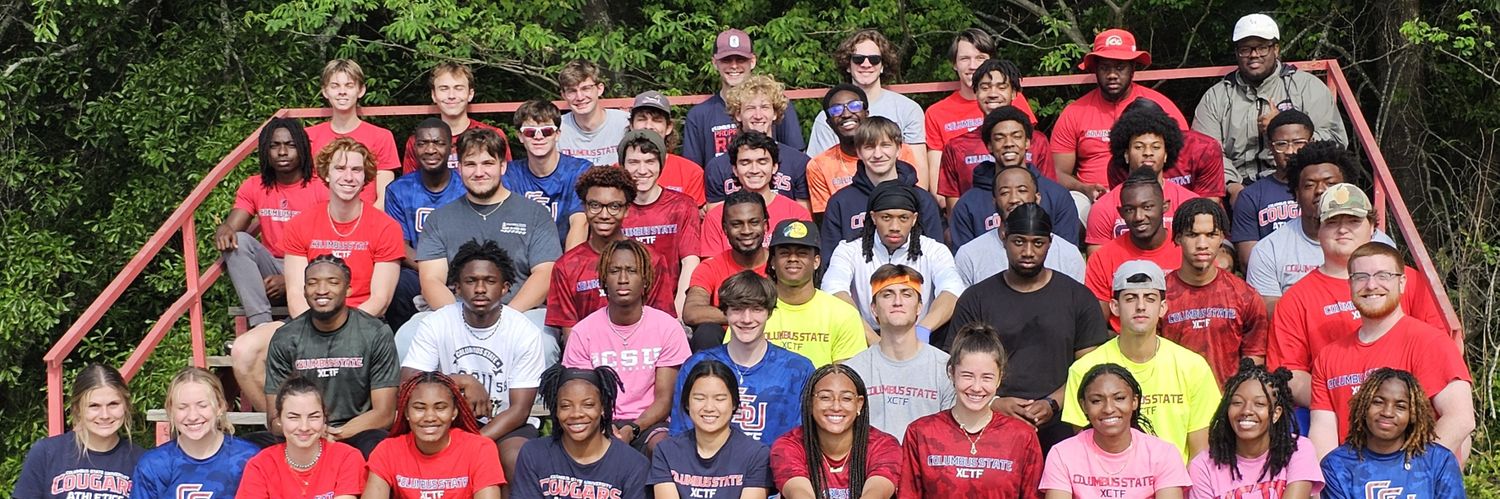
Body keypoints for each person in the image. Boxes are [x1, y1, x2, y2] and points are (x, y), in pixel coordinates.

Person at [230, 137, 403, 412]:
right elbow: (297, 292)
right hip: (309, 320)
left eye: (356, 170)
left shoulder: (386, 227)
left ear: (367, 177)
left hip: (362, 322)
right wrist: (314, 332)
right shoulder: (301, 224)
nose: (348, 177)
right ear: (326, 173)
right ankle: (287, 427)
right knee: (243, 351)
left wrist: (341, 333)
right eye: (340, 168)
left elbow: (380, 299)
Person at [948, 203, 1110, 450]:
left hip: (1063, 426)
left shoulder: (1078, 298)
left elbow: (1089, 370)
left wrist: (1052, 403)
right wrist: (995, 402)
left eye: (1037, 243)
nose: (1028, 251)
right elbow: (958, 365)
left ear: (1050, 242)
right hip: (987, 423)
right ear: (1004, 237)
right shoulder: (976, 299)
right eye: (1019, 241)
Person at [1270, 184, 1444, 410]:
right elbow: (1288, 373)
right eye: (1332, 222)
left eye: (1353, 221)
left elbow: (1440, 348)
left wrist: (1398, 405)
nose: (1342, 229)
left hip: (1407, 413)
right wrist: (1340, 402)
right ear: (1318, 230)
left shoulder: (1407, 280)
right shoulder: (1295, 298)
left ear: (1372, 227)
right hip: (1335, 415)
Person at [1308, 241, 1473, 459]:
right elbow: (1323, 432)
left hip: (1416, 480)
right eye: (1361, 277)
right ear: (1350, 285)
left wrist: (1410, 471)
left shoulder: (1431, 342)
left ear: (1402, 282)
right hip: (1353, 483)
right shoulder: (1329, 356)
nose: (1371, 285)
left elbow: (1460, 418)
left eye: (1383, 276)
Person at [401, 240, 548, 483]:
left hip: (504, 424)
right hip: (446, 419)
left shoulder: (523, 331)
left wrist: (472, 444)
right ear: (456, 288)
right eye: (471, 281)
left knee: (516, 457)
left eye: (490, 281)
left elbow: (519, 410)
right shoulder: (437, 323)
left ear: (505, 287)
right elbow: (409, 385)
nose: (480, 288)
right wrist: (461, 381)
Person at [417, 128, 562, 348]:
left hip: (521, 312)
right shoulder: (439, 219)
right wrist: (460, 322)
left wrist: (506, 319)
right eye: (470, 164)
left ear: (502, 166)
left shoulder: (535, 214)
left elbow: (545, 273)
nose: (479, 172)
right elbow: (431, 280)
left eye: (487, 163)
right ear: (459, 168)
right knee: (408, 335)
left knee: (544, 343)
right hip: (454, 313)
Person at [1065, 261, 1220, 463]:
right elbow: (1085, 451)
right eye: (1130, 298)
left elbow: (1200, 456)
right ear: (1114, 306)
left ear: (1163, 307)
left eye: (1150, 298)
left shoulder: (1193, 367)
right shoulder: (1085, 370)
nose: (1140, 306)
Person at [1193, 14, 1348, 200]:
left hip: (1296, 184)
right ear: (1237, 52)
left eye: (1262, 47)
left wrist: (1287, 131)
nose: (1254, 55)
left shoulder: (1308, 87)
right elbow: (1205, 153)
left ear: (1276, 49)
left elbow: (1337, 141)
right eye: (1245, 49)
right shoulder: (1216, 97)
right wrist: (1232, 186)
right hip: (1237, 188)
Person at [562, 238, 691, 454]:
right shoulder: (583, 332)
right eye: (615, 271)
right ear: (603, 280)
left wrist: (634, 427)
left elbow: (665, 398)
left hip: (650, 423)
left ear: (646, 280)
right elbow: (582, 395)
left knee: (663, 447)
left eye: (631, 271)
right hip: (597, 420)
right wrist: (606, 426)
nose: (623, 279)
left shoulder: (667, 328)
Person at [262, 255, 399, 457]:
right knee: (252, 447)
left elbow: (385, 413)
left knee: (378, 445)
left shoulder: (375, 333)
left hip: (357, 431)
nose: (321, 290)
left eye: (333, 282)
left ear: (348, 289)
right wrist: (311, 431)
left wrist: (336, 434)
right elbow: (275, 418)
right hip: (302, 430)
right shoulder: (286, 336)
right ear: (304, 291)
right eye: (312, 283)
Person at [1245, 142, 1397, 314]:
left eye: (1330, 184)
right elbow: (1269, 313)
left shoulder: (1380, 244)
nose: (1320, 191)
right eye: (1309, 185)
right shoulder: (1268, 250)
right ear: (1296, 194)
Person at [899, 324, 1043, 498]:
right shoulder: (921, 432)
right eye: (967, 375)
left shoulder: (1022, 436)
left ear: (999, 378)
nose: (976, 387)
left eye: (987, 377)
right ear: (952, 373)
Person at [672, 270, 816, 443]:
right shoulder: (697, 365)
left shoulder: (798, 369)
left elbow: (805, 439)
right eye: (737, 309)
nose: (746, 319)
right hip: (712, 468)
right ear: (725, 312)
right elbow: (680, 436)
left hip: (775, 467)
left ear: (769, 313)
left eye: (756, 309)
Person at [1051, 29, 1188, 208]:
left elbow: (1184, 160)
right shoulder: (1074, 111)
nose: (1112, 74)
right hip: (1093, 200)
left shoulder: (1159, 106)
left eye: (1120, 67)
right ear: (1095, 70)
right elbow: (1057, 172)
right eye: (1105, 67)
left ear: (1133, 68)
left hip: (1155, 196)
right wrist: (1083, 188)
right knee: (1074, 206)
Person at [217, 118, 329, 328]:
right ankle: (261, 326)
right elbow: (232, 227)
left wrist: (291, 280)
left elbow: (329, 247)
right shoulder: (254, 186)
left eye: (290, 145)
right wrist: (224, 229)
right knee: (238, 241)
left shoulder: (321, 188)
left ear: (303, 148)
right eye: (274, 146)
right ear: (265, 151)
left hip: (311, 266)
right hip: (271, 267)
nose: (282, 152)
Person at [548, 164, 678, 338]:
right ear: (584, 208)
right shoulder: (566, 266)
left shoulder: (650, 260)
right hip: (587, 357)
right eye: (595, 205)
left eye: (614, 206)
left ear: (626, 210)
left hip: (643, 351)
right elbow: (571, 335)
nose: (604, 214)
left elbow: (662, 324)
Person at [823, 182, 964, 333]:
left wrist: (922, 332)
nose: (895, 227)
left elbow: (953, 291)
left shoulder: (935, 250)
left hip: (922, 335)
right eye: (886, 217)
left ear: (914, 219)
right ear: (873, 217)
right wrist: (871, 339)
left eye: (903, 218)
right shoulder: (848, 250)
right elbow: (833, 291)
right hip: (864, 336)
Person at [1041, 364, 1191, 498]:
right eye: (1096, 401)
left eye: (1119, 398)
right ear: (1084, 406)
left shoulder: (1164, 454)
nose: (1108, 409)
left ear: (1134, 402)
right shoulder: (1062, 454)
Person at [1161, 199, 1269, 385]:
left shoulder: (1245, 296)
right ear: (1178, 238)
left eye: (1211, 235)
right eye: (1192, 235)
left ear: (1221, 238)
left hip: (1227, 405)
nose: (1202, 244)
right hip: (1176, 402)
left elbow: (1254, 356)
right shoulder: (1160, 295)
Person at [845, 264, 955, 440]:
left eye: (906, 294)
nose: (897, 302)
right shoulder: (852, 371)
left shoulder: (946, 368)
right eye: (887, 295)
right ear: (873, 308)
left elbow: (952, 434)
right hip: (870, 465)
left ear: (919, 307)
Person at [948, 105, 1081, 249]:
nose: (1009, 144)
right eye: (999, 138)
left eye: (1016, 136)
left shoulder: (1057, 196)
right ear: (989, 146)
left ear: (1027, 142)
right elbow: (965, 261)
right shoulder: (968, 204)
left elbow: (1067, 255)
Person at [1318, 369, 1465, 499]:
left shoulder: (1439, 461)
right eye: (1378, 402)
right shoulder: (1336, 465)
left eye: (1400, 406)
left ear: (1413, 413)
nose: (1387, 412)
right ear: (1363, 407)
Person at [1188, 360, 1323, 499]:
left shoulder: (1298, 449)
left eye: (1259, 404)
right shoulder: (1203, 466)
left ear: (1276, 413)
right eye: (1237, 402)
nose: (1246, 410)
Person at [513, 365, 650, 499]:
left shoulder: (633, 464)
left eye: (588, 405)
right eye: (565, 406)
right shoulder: (534, 453)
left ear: (602, 407)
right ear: (556, 410)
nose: (576, 414)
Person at [806, 29, 928, 179]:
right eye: (858, 59)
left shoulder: (908, 109)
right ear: (847, 65)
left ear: (883, 65)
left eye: (874, 59)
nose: (866, 64)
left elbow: (919, 174)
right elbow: (820, 171)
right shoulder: (830, 116)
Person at [820, 116, 943, 261]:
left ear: (898, 149)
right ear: (858, 152)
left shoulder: (922, 199)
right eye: (869, 147)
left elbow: (936, 256)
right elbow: (830, 259)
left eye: (885, 145)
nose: (878, 154)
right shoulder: (840, 202)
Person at [365, 372, 506, 499]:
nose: (430, 417)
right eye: (419, 408)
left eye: (440, 408)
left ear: (454, 412)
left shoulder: (480, 449)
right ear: (406, 412)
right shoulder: (387, 451)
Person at [15, 364, 145, 499]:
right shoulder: (46, 453)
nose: (105, 415)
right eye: (94, 406)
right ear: (77, 408)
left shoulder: (142, 461)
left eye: (113, 404)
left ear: (126, 405)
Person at [1084, 101, 1201, 252]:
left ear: (1166, 154)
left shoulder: (1190, 202)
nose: (1148, 152)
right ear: (1126, 154)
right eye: (1139, 146)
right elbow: (1098, 265)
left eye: (1156, 147)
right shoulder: (1104, 208)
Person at [771, 365, 902, 499]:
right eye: (825, 397)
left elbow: (876, 493)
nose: (836, 407)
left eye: (846, 398)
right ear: (810, 403)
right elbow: (799, 493)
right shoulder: (788, 445)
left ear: (859, 404)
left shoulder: (884, 445)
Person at [925, 29, 1040, 181]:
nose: (973, 66)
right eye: (965, 58)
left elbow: (1034, 152)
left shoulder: (1015, 101)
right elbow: (937, 183)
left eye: (980, 58)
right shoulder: (936, 113)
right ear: (954, 64)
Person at [385, 117, 466, 331]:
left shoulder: (466, 187)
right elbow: (399, 243)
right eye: (423, 143)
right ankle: (401, 346)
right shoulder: (399, 189)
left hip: (462, 269)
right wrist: (431, 272)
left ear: (450, 147)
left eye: (438, 143)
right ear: (415, 147)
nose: (430, 150)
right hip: (418, 269)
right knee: (398, 282)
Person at [650, 361, 774, 499]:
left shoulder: (756, 454)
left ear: (734, 403)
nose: (709, 407)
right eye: (699, 398)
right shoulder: (666, 451)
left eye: (719, 399)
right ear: (687, 402)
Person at [129, 367, 259, 498]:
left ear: (220, 406)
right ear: (170, 411)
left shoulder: (249, 458)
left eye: (202, 405)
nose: (192, 416)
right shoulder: (154, 464)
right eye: (182, 407)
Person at [684, 28, 805, 167]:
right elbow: (693, 173)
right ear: (714, 63)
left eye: (741, 59)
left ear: (752, 61)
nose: (734, 66)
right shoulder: (699, 115)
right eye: (726, 60)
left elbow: (795, 161)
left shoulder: (776, 105)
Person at [936, 59, 1049, 207]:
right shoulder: (956, 147)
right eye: (985, 87)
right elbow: (954, 210)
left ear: (1014, 93)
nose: (993, 94)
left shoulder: (1037, 141)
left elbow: (1048, 194)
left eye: (1001, 87)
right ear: (975, 93)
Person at [614, 128, 703, 312]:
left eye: (650, 162)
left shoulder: (682, 205)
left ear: (661, 164)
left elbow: (690, 262)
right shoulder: (613, 207)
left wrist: (677, 313)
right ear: (622, 165)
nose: (642, 170)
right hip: (623, 308)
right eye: (633, 162)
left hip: (671, 305)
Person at [758, 219, 869, 365]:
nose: (792, 258)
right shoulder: (752, 312)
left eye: (802, 253)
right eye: (784, 253)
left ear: (816, 261)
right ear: (772, 262)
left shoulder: (843, 314)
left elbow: (846, 378)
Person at [236, 377, 366, 499]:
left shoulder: (347, 457)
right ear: (279, 420)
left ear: (324, 418)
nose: (304, 427)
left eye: (313, 416)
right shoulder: (260, 465)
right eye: (293, 417)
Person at [1083, 169, 1183, 319]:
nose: (1139, 217)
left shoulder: (1185, 250)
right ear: (1121, 212)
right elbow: (1096, 327)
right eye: (1130, 209)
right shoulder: (1102, 258)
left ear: (1165, 206)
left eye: (1147, 207)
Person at [807, 84, 921, 213]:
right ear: (829, 122)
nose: (846, 114)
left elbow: (916, 201)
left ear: (866, 113)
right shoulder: (819, 165)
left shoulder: (897, 151)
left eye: (854, 106)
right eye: (836, 110)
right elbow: (826, 220)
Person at [954, 174, 1086, 286]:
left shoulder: (1068, 254)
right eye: (1005, 192)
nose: (1014, 199)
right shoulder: (969, 255)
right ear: (994, 201)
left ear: (1037, 198)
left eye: (1022, 190)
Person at [704, 74, 811, 207]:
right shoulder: (717, 167)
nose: (758, 115)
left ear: (775, 113)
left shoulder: (799, 163)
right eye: (750, 108)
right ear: (738, 114)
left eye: (765, 107)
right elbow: (716, 220)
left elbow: (804, 220)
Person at [700, 131, 813, 256]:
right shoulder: (716, 216)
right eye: (745, 162)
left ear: (774, 167)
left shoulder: (796, 213)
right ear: (735, 170)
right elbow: (711, 268)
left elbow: (804, 263)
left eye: (762, 162)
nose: (754, 170)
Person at [305, 59, 400, 208]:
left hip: (365, 222)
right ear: (325, 91)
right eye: (335, 86)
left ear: (361, 90)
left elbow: (384, 196)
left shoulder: (382, 137)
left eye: (349, 85)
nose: (342, 91)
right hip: (318, 222)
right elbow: (302, 189)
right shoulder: (308, 136)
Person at [682, 191, 770, 349]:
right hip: (725, 350)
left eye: (754, 222)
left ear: (765, 225)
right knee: (707, 332)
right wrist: (746, 316)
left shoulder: (778, 264)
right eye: (737, 224)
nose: (746, 231)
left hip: (773, 340)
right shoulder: (710, 267)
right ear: (724, 229)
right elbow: (691, 312)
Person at [1229, 110, 1312, 269]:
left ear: (1311, 142)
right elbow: (1249, 262)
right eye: (1281, 144)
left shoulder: (1324, 191)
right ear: (1270, 146)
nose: (1290, 151)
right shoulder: (1250, 196)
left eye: (1298, 142)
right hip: (1270, 283)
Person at [506, 99, 590, 249]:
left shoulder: (580, 170)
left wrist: (566, 269)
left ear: (557, 134)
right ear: (520, 136)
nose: (539, 137)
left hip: (566, 257)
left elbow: (580, 224)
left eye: (546, 131)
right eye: (530, 132)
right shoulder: (509, 174)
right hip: (521, 260)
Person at [400, 62, 510, 174]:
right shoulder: (418, 141)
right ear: (433, 95)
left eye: (459, 88)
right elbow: (409, 185)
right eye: (444, 89)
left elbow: (506, 182)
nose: (451, 95)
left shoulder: (493, 135)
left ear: (470, 94)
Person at [628, 90, 707, 206]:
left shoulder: (691, 172)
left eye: (657, 120)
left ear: (669, 127)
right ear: (631, 126)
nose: (648, 126)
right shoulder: (617, 171)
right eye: (642, 119)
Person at [555, 60, 631, 167]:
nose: (580, 97)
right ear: (563, 95)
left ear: (600, 89)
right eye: (572, 91)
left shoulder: (625, 123)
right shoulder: (556, 128)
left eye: (586, 88)